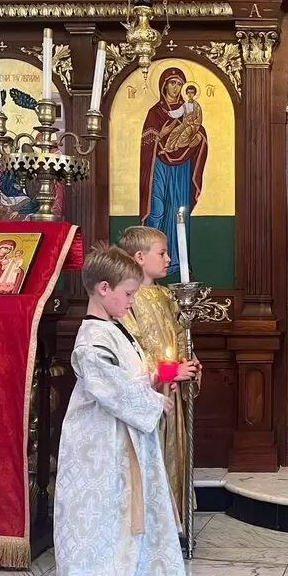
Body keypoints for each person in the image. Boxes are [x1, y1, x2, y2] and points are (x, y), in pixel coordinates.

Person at [54, 244, 194, 576]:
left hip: (122, 437)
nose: (132, 302)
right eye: (128, 294)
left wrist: (159, 377)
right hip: (99, 445)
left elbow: (131, 376)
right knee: (102, 517)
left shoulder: (114, 329)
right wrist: (154, 403)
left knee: (126, 513)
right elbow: (109, 387)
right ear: (103, 288)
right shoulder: (91, 339)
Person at [119, 226, 201, 533]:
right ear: (139, 257)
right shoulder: (127, 300)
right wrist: (170, 372)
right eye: (162, 253)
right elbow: (133, 354)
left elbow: (180, 339)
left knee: (174, 458)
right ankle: (151, 527)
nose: (168, 259)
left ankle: (172, 524)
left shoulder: (168, 296)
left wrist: (189, 363)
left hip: (173, 395)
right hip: (150, 398)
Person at [140, 67, 209, 277]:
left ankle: (178, 262)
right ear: (163, 85)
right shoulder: (155, 112)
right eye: (172, 83)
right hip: (159, 165)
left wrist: (198, 137)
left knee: (178, 213)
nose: (176, 87)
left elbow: (199, 131)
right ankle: (150, 263)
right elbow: (147, 140)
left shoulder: (189, 109)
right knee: (157, 210)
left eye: (179, 83)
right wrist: (162, 134)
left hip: (182, 167)